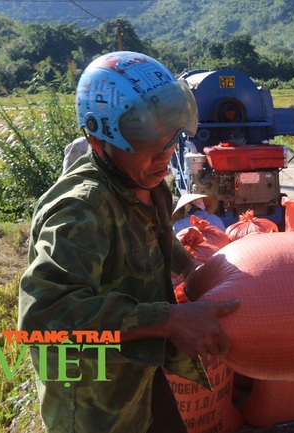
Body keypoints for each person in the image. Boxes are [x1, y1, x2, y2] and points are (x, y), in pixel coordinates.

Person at [18, 51, 239, 433]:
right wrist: (168, 320)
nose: (164, 159)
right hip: (95, 401)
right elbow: (43, 316)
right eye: (148, 146)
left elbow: (156, 236)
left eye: (169, 143)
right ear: (99, 140)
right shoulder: (82, 210)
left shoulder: (146, 184)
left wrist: (192, 267)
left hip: (140, 371)